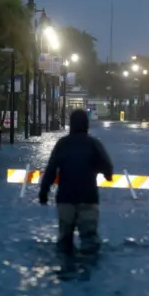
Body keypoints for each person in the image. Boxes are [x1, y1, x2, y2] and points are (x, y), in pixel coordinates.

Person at [39, 109, 114, 255]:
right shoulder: (93, 144)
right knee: (90, 240)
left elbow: (51, 170)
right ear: (87, 125)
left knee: (64, 241)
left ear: (71, 124)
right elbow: (107, 166)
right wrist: (107, 175)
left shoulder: (62, 144)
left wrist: (44, 192)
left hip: (65, 199)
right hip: (88, 198)